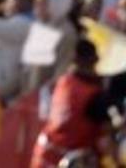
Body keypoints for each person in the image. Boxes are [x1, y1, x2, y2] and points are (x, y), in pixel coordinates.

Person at [30, 39, 109, 168]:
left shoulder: (64, 82)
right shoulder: (93, 95)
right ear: (95, 60)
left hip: (45, 157)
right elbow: (106, 137)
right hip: (71, 160)